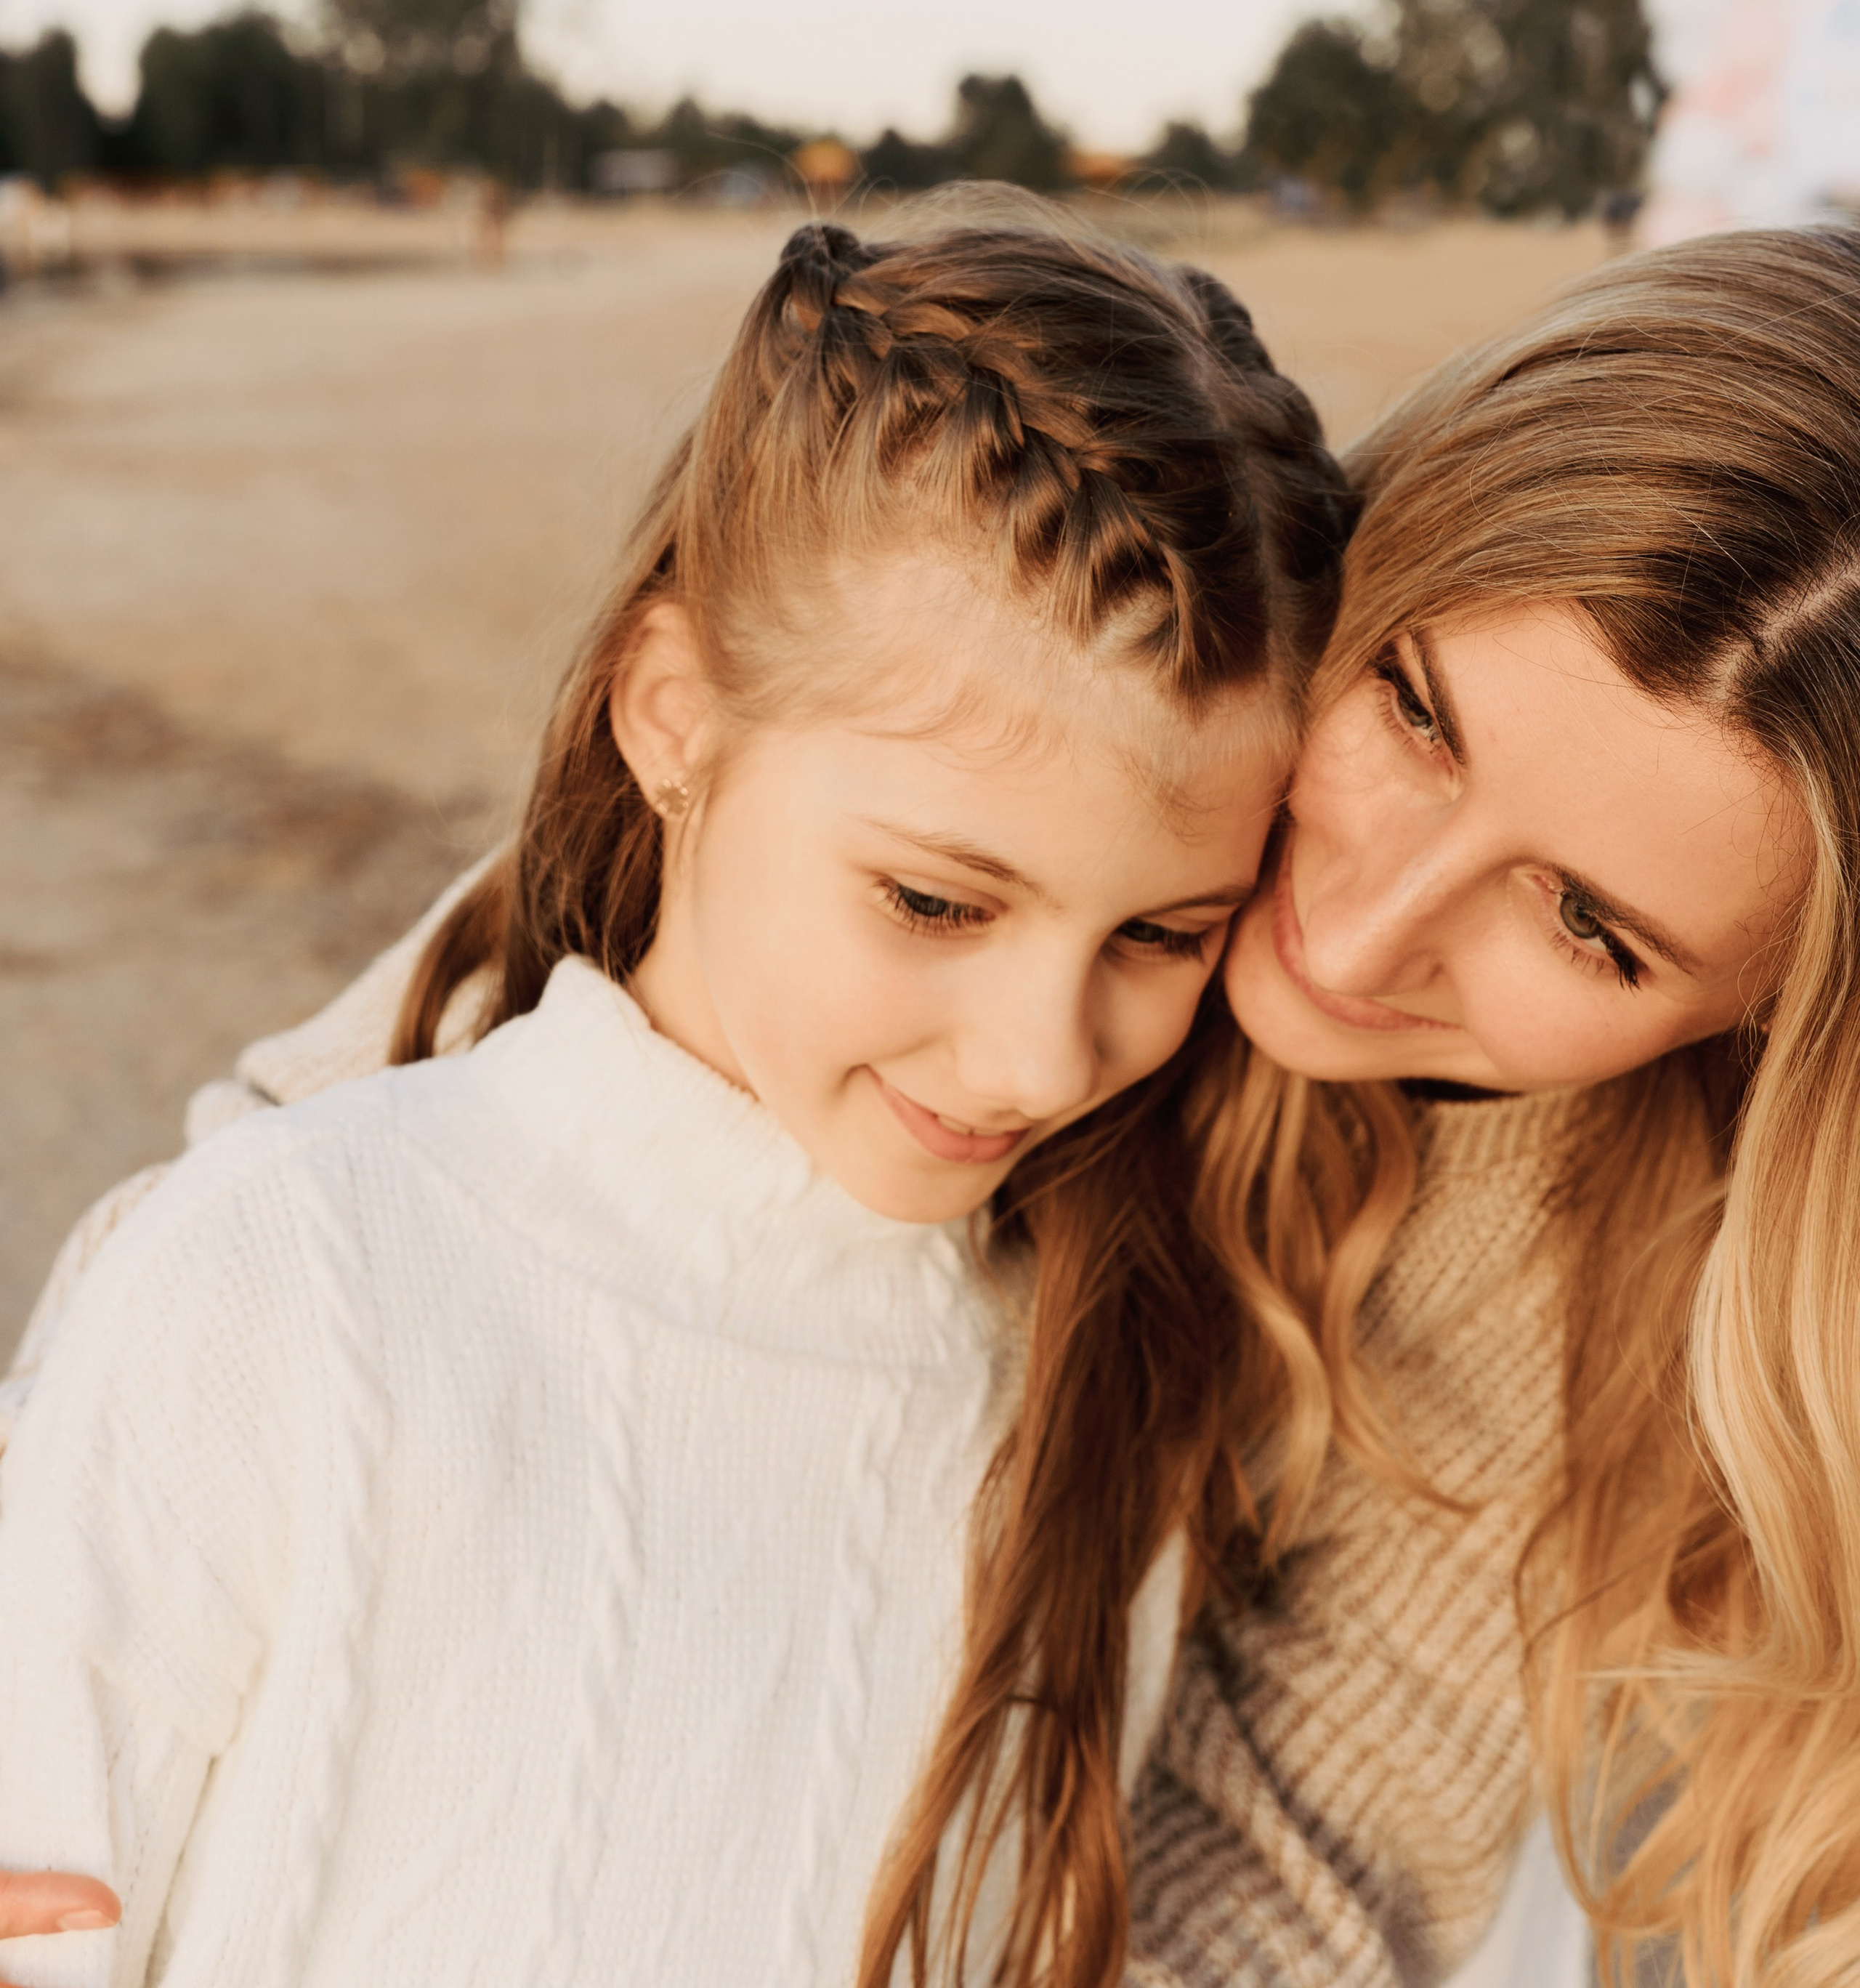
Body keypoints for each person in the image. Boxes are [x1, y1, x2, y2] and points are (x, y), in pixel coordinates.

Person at [0, 219, 1348, 1988]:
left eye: (1161, 935)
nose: (1037, 1058)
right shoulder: (275, 1282)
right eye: (936, 903)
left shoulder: (1107, 1393)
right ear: (672, 717)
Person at [1148, 225, 1860, 1987]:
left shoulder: (1602, 1283)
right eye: (1411, 708)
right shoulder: (1001, 680)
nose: (1362, 930)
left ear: (1762, 1018)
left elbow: (1299, 1851)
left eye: (1586, 928)